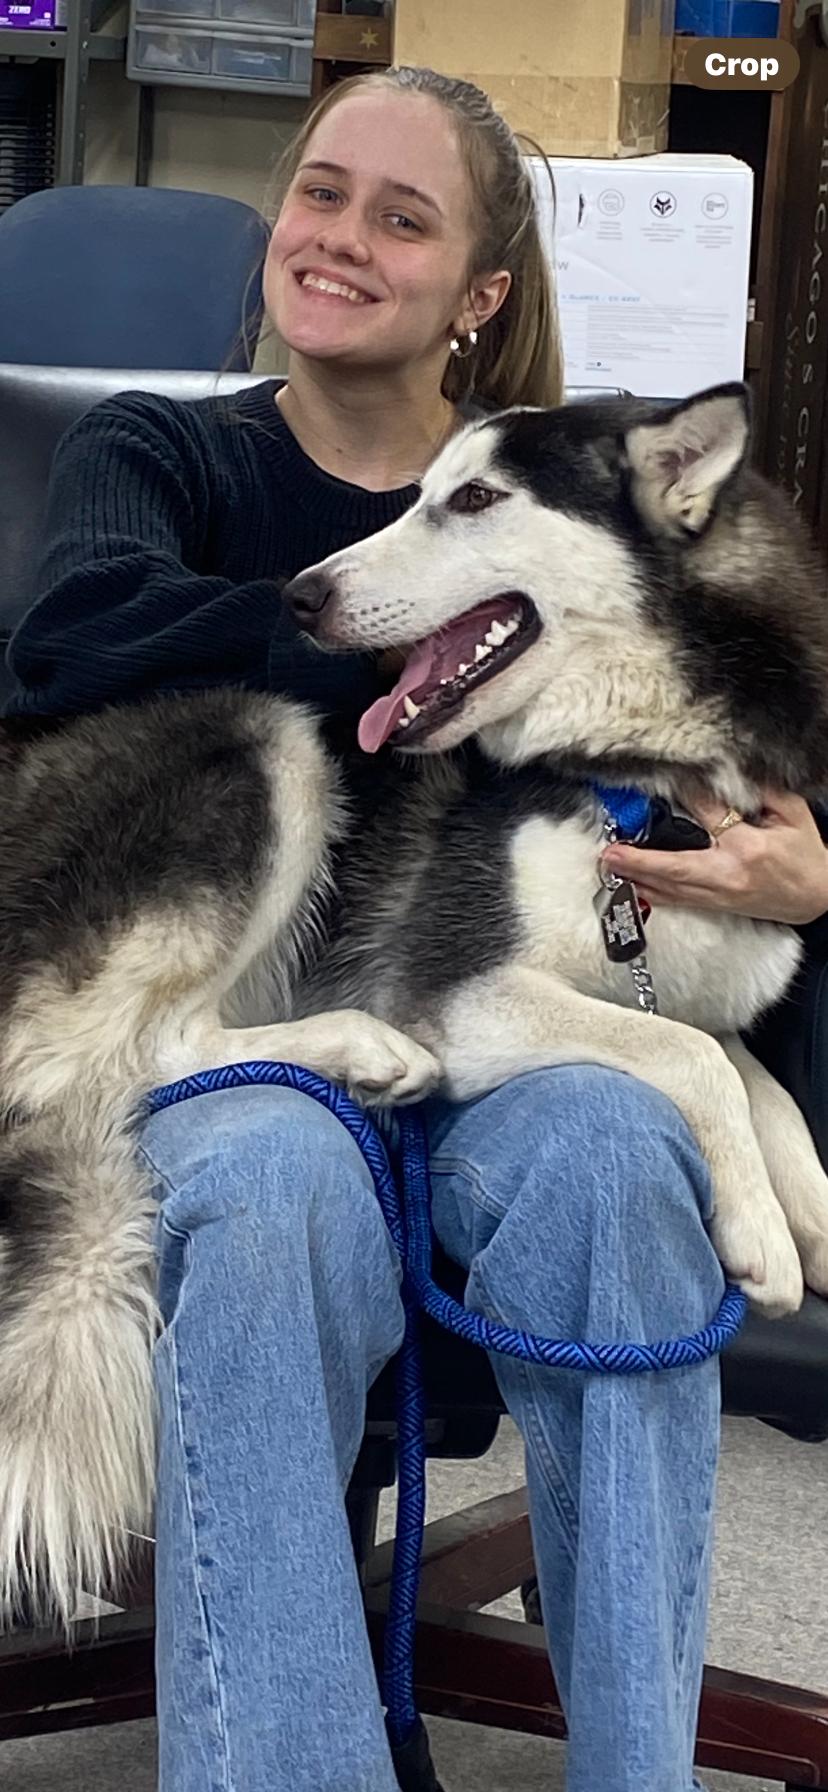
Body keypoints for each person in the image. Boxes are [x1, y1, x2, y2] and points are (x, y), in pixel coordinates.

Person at [5, 64, 828, 1792]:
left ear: (483, 291)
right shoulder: (172, 450)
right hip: (212, 987)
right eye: (321, 193)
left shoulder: (563, 520)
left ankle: (637, 1769)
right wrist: (393, 613)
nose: (342, 238)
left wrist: (794, 884)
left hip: (477, 1016)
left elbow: (696, 936)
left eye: (404, 215)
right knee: (276, 1161)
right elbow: (75, 645)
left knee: (615, 1149)